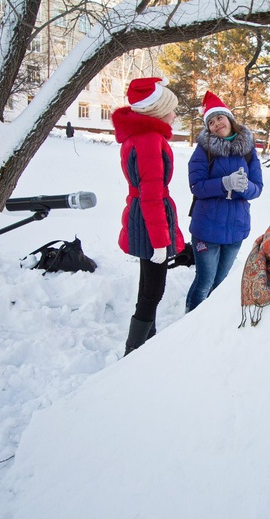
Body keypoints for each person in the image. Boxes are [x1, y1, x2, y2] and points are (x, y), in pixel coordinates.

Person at [111, 77, 185, 356]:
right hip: (149, 219)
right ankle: (135, 350)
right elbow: (152, 193)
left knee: (147, 286)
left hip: (144, 216)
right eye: (170, 109)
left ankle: (145, 344)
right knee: (153, 290)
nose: (174, 115)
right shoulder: (149, 140)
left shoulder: (141, 137)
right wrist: (159, 241)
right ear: (156, 110)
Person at [186, 91, 263, 312]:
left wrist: (245, 187)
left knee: (219, 285)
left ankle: (209, 322)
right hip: (207, 229)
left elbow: (258, 188)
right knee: (204, 283)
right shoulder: (204, 151)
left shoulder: (248, 151)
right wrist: (224, 183)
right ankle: (188, 326)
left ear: (229, 118)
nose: (217, 124)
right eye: (211, 122)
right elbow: (196, 186)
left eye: (219, 118)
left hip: (236, 230)